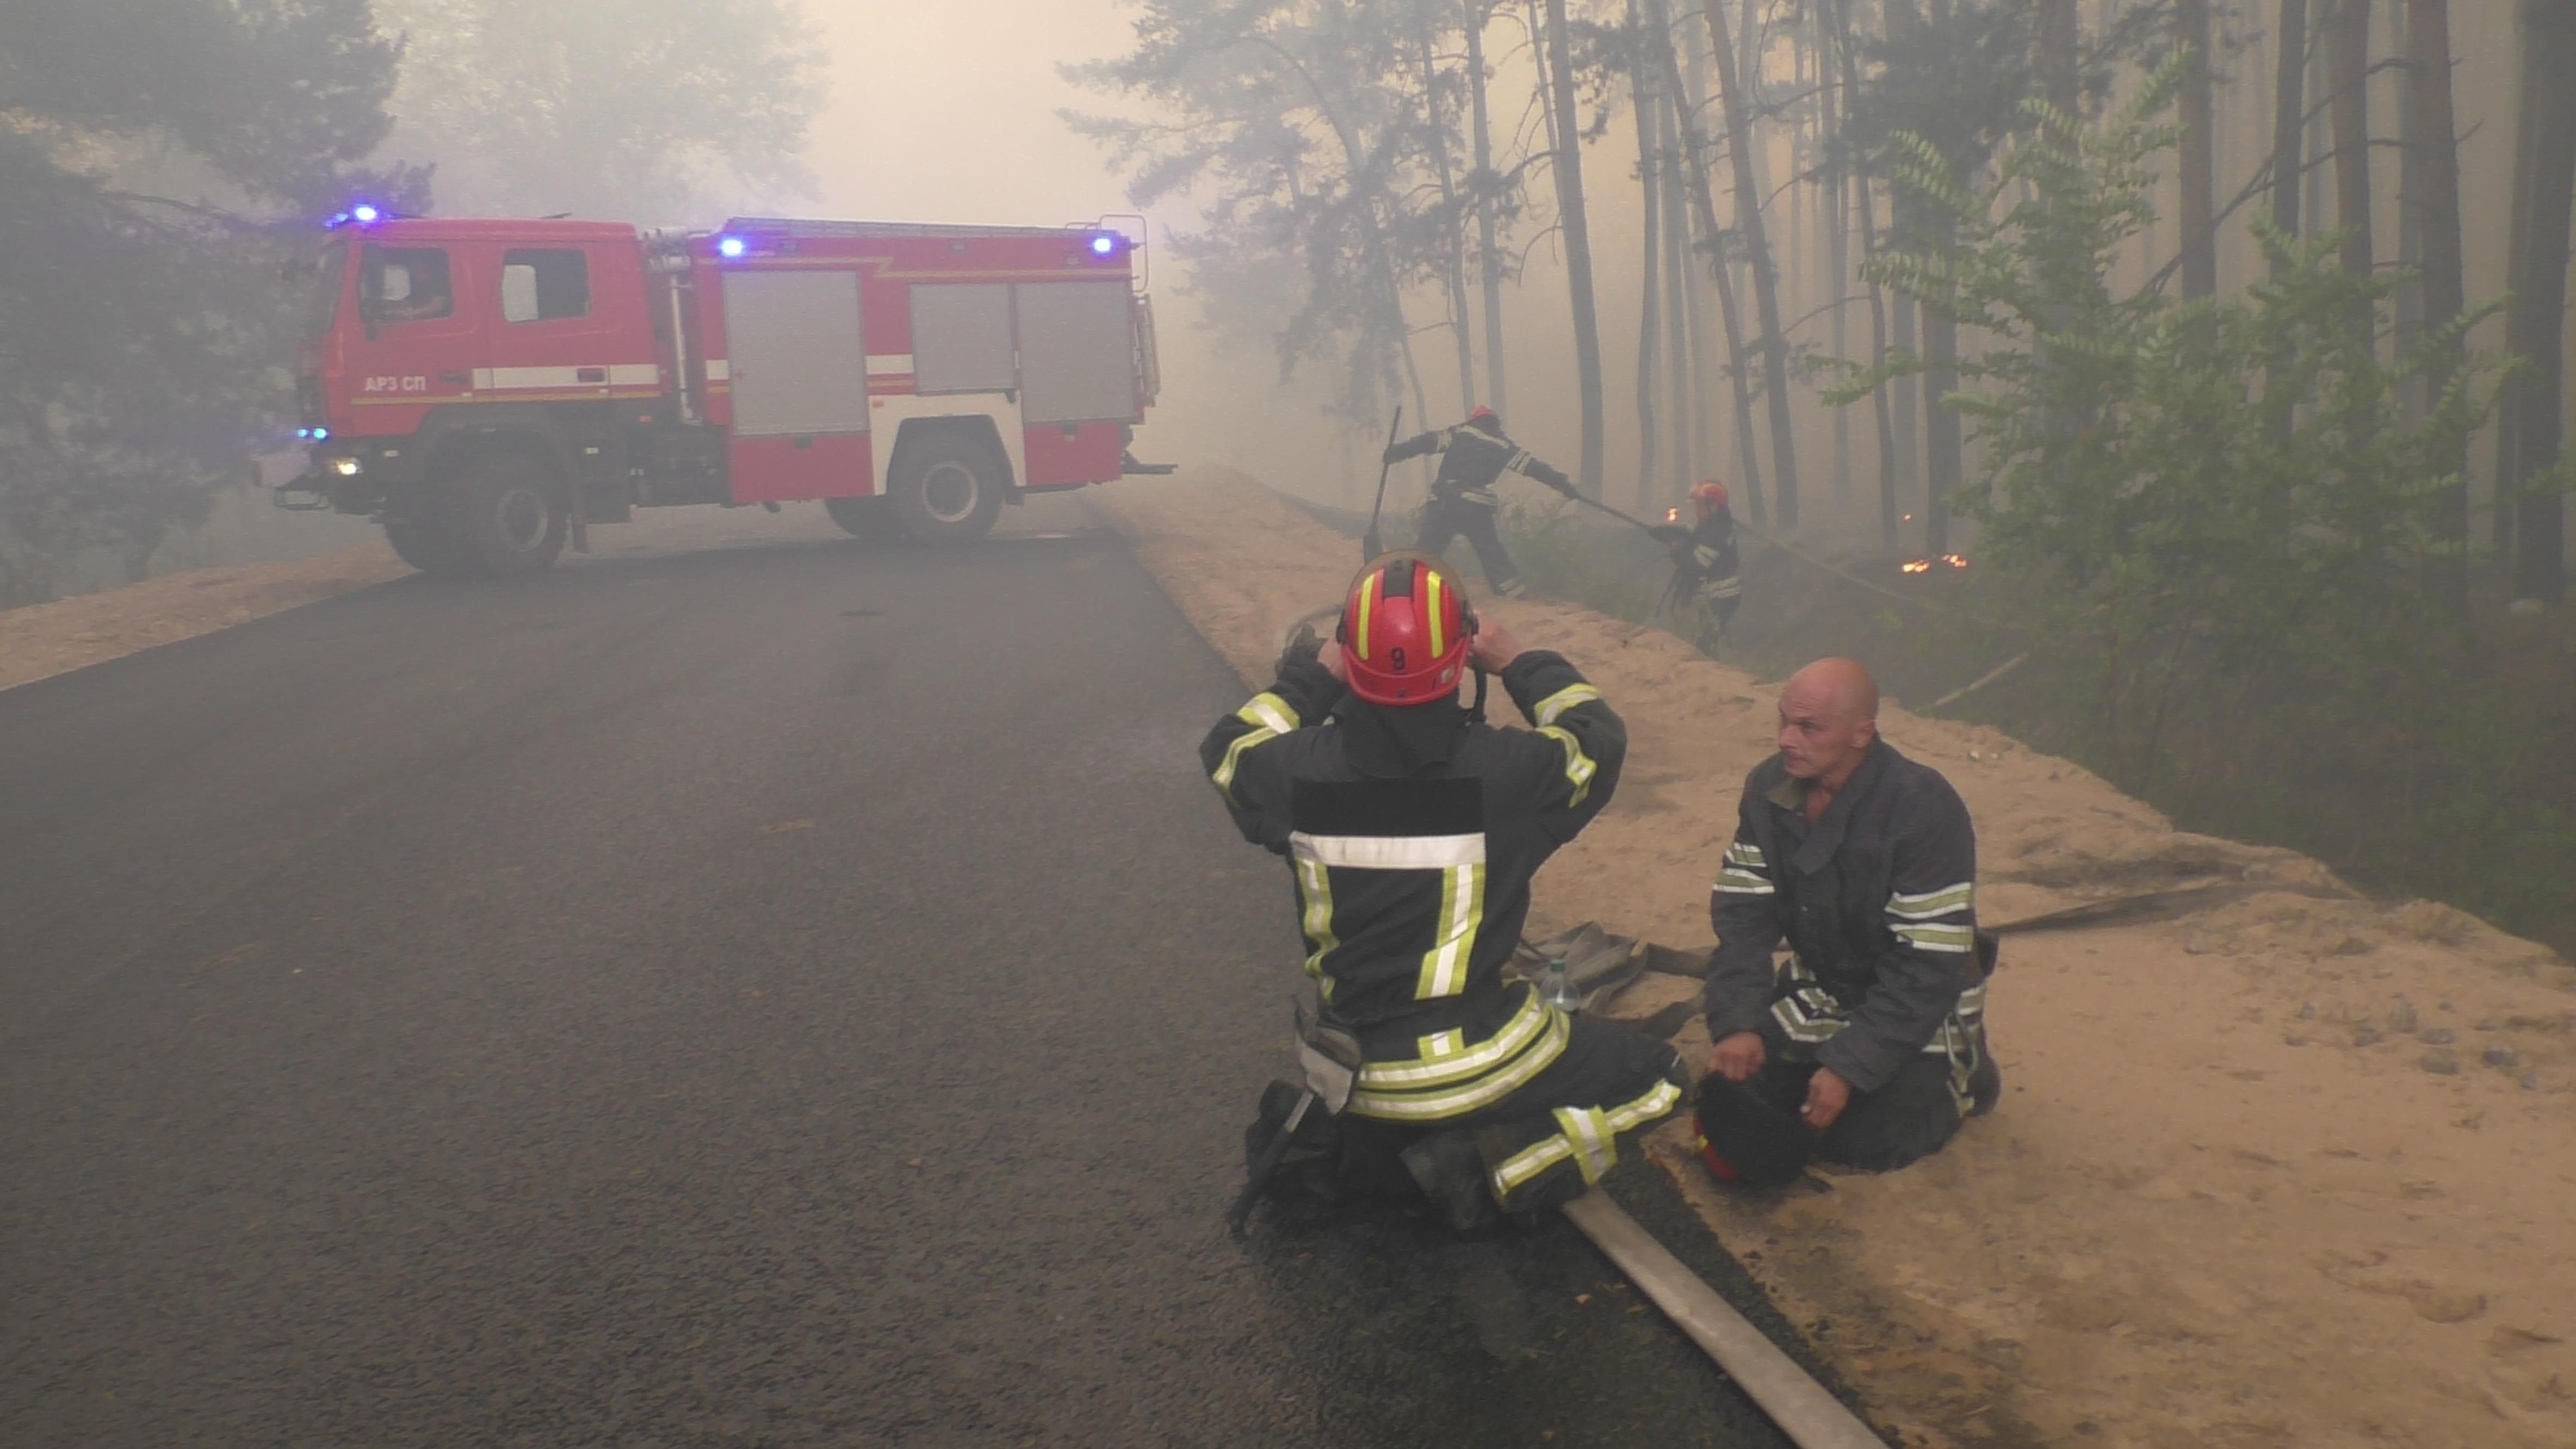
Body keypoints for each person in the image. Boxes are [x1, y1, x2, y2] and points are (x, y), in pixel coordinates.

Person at [1200, 553, 1686, 1228]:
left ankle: (1385, 1164)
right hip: (1471, 1060)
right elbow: (1595, 737)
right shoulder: (1510, 775)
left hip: (1352, 1072)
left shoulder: (1292, 773)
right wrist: (1517, 659)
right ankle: (1491, 1168)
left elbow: (1228, 747)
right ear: (1460, 660)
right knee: (1659, 1076)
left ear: (1349, 655)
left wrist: (1312, 680)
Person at [1693, 658, 1999, 1188]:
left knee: (1861, 1145)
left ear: (1863, 733)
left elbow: (1926, 966)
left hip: (1917, 999)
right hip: (1823, 986)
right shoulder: (1768, 789)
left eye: (1808, 728)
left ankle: (1965, 1076)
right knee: (1747, 1099)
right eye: (1783, 721)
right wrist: (1738, 1020)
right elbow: (1742, 915)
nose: (1787, 740)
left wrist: (1847, 1068)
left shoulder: (1922, 809)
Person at [1384, 406, 1577, 599]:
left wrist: (1396, 453)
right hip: (1475, 508)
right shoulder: (1503, 445)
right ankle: (1513, 594)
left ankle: (1406, 591)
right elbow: (1534, 469)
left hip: (1445, 503)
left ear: (1474, 420)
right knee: (1491, 552)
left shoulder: (1460, 433)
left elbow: (1426, 442)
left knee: (1428, 551)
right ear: (1495, 424)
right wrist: (1563, 485)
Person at [1651, 481, 1744, 648]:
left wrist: (1676, 548)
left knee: (1707, 640)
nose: (1697, 510)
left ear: (1713, 507)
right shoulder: (1707, 525)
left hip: (1722, 597)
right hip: (1711, 594)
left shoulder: (1718, 533)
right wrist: (1663, 532)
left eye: (1700, 506)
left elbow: (1695, 566)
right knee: (1702, 636)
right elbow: (1687, 531)